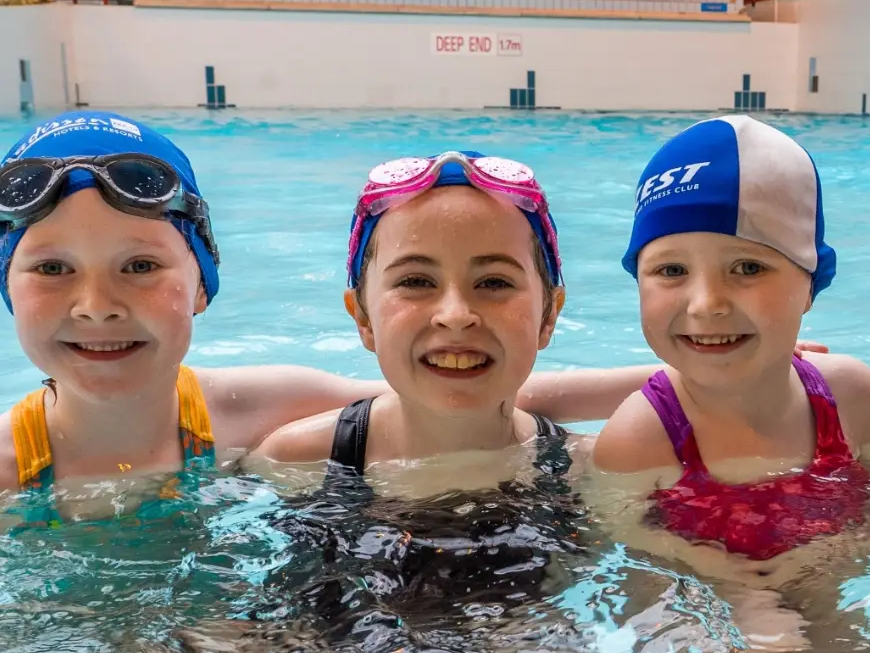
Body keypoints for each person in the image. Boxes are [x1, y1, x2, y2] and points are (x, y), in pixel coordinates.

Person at [0, 113, 671, 518]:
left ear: (202, 284)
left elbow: (448, 397)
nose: (97, 306)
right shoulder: (8, 467)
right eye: (52, 269)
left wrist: (689, 378)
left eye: (140, 267)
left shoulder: (243, 411)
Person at [592, 115, 870, 565]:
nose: (706, 305)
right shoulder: (639, 440)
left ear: (811, 283)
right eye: (672, 271)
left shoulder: (851, 396)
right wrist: (751, 599)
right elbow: (639, 572)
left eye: (748, 268)